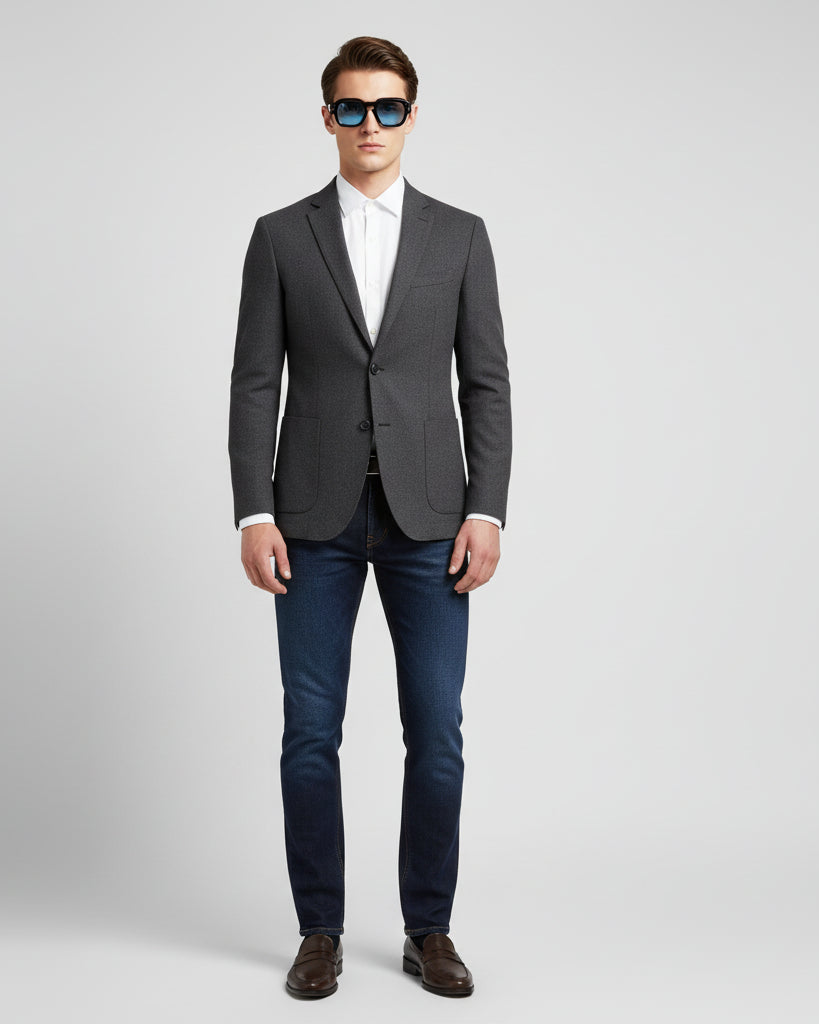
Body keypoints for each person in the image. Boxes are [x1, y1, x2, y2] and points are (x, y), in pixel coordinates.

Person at [228, 36, 512, 999]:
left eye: (388, 107)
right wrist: (253, 511)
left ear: (412, 116)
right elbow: (254, 383)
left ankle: (429, 927)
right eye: (352, 108)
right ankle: (320, 931)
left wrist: (487, 509)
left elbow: (486, 383)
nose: (371, 125)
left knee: (437, 732)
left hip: (431, 520)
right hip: (311, 520)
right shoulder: (280, 236)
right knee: (310, 733)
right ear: (328, 118)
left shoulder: (460, 235)